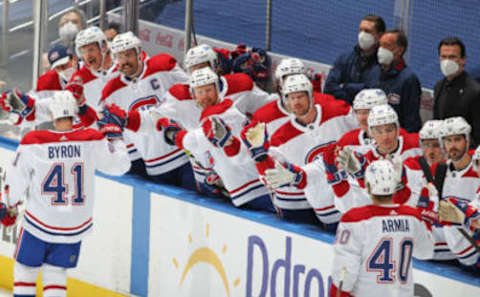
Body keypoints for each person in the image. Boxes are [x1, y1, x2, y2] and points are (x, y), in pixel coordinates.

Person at [0, 91, 130, 297]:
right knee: (56, 274)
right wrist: (115, 136)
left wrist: (9, 205)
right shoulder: (92, 139)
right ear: (75, 113)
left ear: (52, 114)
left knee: (25, 271)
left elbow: (15, 181)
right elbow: (121, 165)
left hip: (39, 222)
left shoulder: (34, 141)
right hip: (74, 225)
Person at [241, 74, 357, 228]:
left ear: (311, 95)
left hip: (355, 200)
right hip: (323, 209)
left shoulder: (338, 112)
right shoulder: (280, 138)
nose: (296, 102)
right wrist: (260, 156)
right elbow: (269, 178)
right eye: (291, 98)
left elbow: (365, 135)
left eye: (300, 96)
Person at [151, 67, 275, 211]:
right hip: (250, 186)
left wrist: (170, 132)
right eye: (200, 92)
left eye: (209, 90)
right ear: (193, 94)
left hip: (256, 188)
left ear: (218, 89)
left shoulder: (218, 116)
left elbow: (192, 142)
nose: (205, 96)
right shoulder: (223, 110)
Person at [97, 31, 193, 187]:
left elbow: (192, 92)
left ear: (139, 53)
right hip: (154, 166)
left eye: (128, 55)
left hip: (184, 156)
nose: (124, 61)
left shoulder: (163, 66)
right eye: (119, 57)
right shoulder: (111, 91)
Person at [329, 160, 434, 297]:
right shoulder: (412, 216)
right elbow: (426, 252)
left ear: (367, 186)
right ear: (395, 185)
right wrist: (426, 218)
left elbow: (344, 272)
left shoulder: (355, 219)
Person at [431, 117, 480, 268]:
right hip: (451, 237)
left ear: (467, 140)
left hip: (472, 242)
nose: (453, 146)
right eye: (448, 141)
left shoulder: (478, 166)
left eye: (457, 139)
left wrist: (462, 212)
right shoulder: (439, 170)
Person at [324, 15, 385, 104]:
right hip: (344, 112)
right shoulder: (344, 59)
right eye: (360, 30)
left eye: (367, 31)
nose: (362, 35)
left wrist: (344, 86)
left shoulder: (384, 64)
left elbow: (374, 94)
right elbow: (329, 88)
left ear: (379, 36)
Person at [433, 37, 480, 147]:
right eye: (443, 57)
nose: (447, 61)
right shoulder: (439, 86)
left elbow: (477, 134)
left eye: (452, 57)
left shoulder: (475, 91)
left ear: (463, 60)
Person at [377, 29, 422, 132]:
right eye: (380, 45)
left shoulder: (408, 79)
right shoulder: (375, 72)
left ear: (400, 50)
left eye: (386, 45)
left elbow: (411, 120)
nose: (381, 49)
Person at [336, 88, 389, 154]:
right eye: (359, 112)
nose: (362, 118)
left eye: (366, 112)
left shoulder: (400, 139)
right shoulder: (347, 140)